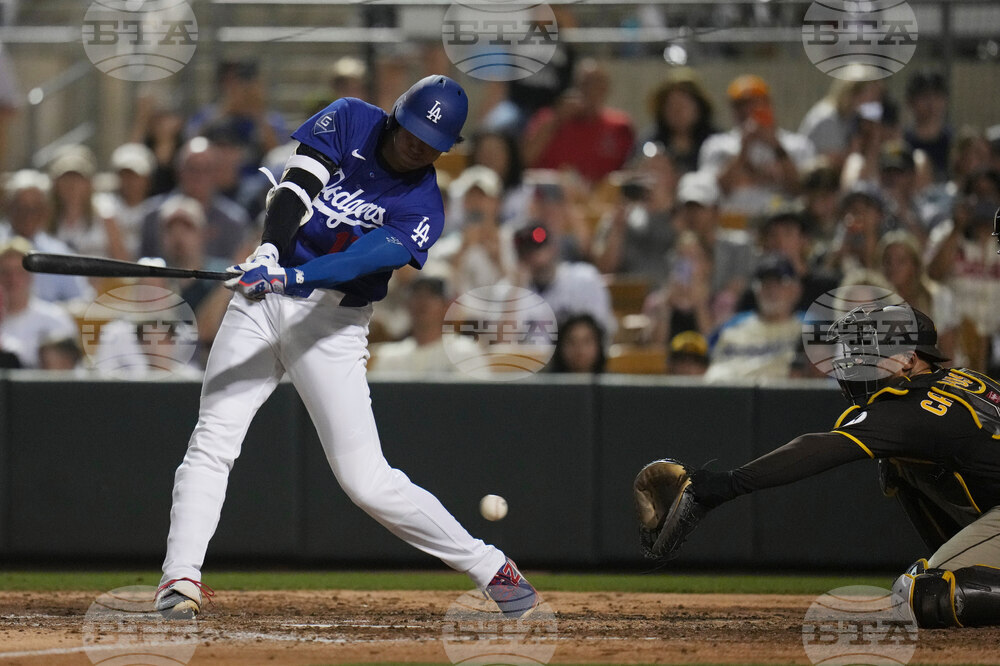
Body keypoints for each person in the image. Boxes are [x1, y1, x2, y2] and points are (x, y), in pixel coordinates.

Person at [154, 75, 540, 620]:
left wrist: (293, 274)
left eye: (432, 142)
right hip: (261, 301)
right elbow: (295, 187)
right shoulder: (351, 118)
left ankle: (490, 567)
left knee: (365, 480)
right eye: (412, 131)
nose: (417, 145)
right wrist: (269, 251)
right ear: (398, 115)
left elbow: (363, 259)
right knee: (213, 439)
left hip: (331, 323)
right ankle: (179, 580)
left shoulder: (424, 206)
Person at [634, 305, 1000, 628]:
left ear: (908, 358)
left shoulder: (911, 406)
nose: (856, 361)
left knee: (924, 594)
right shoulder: (964, 383)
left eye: (872, 350)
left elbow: (822, 447)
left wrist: (722, 485)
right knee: (898, 471)